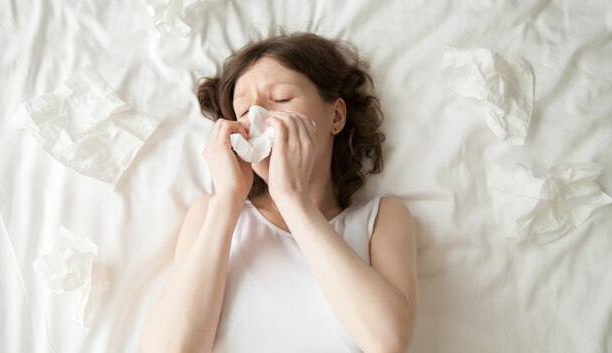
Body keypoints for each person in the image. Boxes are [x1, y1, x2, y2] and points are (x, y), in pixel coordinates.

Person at [140, 32, 418, 353]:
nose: (258, 118)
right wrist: (228, 200)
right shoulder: (211, 212)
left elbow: (388, 342)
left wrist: (292, 198)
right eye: (243, 112)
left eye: (283, 99)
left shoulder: (382, 218)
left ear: (336, 116)